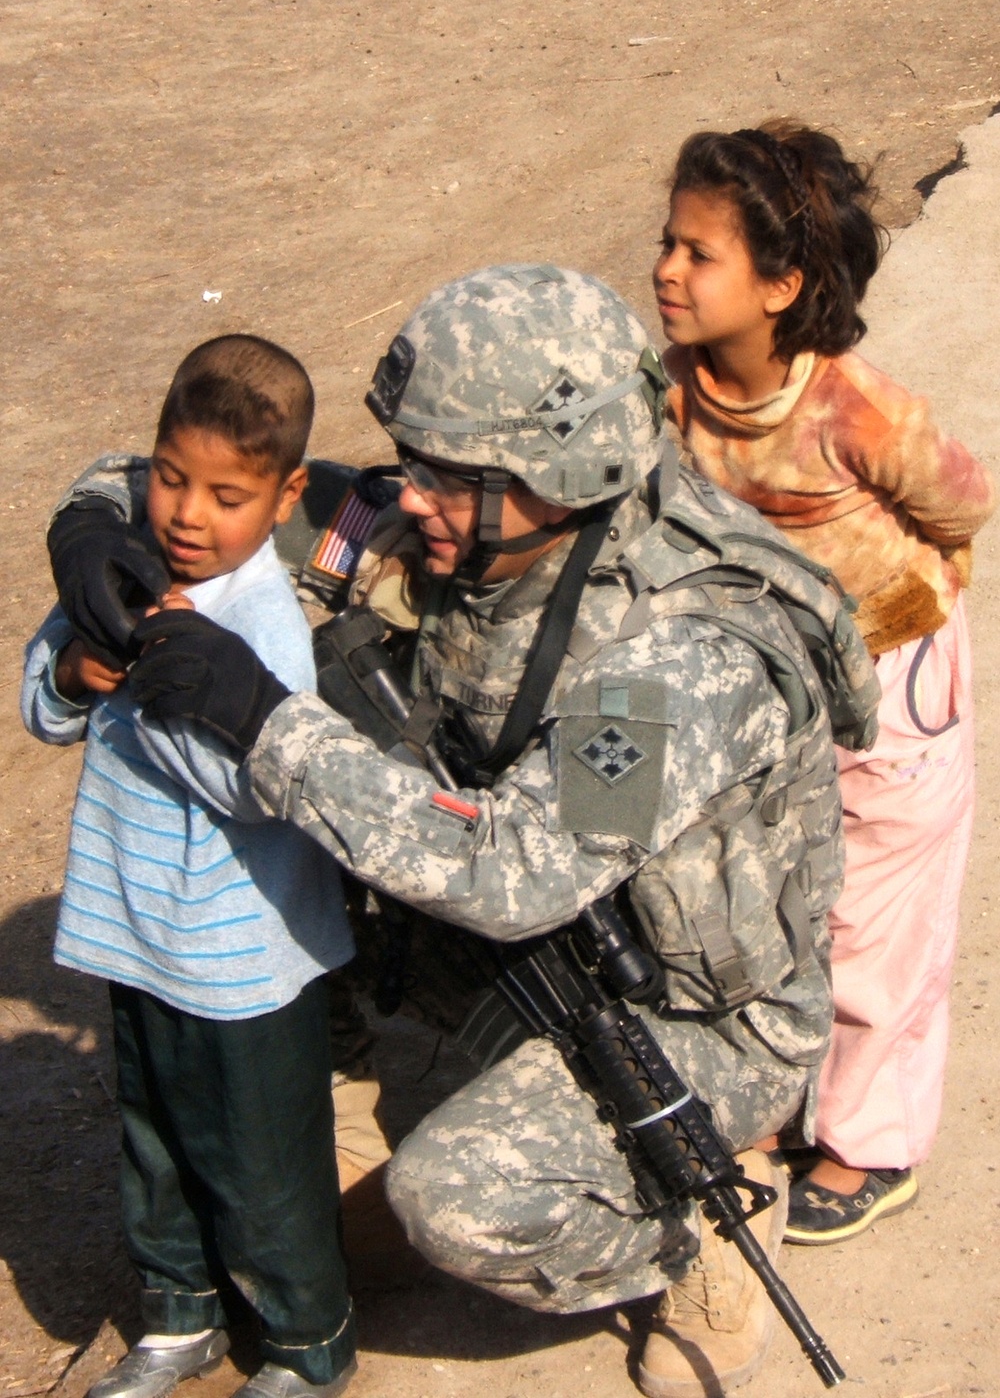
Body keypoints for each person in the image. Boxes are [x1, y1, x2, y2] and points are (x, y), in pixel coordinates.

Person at [44, 266, 864, 1397]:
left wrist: (260, 719)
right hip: (535, 944)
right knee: (271, 899)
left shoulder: (677, 657)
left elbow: (512, 868)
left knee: (456, 1203)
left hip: (690, 1014)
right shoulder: (460, 529)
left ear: (558, 474)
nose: (407, 497)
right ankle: (367, 1118)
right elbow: (168, 483)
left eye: (447, 476)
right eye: (415, 464)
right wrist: (89, 540)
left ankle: (703, 1217)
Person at [652, 120, 996, 1244]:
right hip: (774, 685)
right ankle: (793, 1099)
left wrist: (902, 612)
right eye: (669, 242)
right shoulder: (675, 390)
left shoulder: (857, 408)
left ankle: (870, 1144)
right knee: (781, 895)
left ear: (781, 284)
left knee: (876, 921)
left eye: (698, 254)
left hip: (890, 674)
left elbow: (958, 505)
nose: (667, 269)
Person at [23, 335, 359, 1398]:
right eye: (171, 478)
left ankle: (309, 1342)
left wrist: (151, 683)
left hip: (245, 956)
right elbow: (41, 704)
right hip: (136, 924)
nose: (186, 514)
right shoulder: (130, 570)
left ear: (285, 492)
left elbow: (255, 789)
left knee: (263, 1158)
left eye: (226, 494)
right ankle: (181, 1314)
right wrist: (81, 672)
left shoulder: (261, 619)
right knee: (154, 1136)